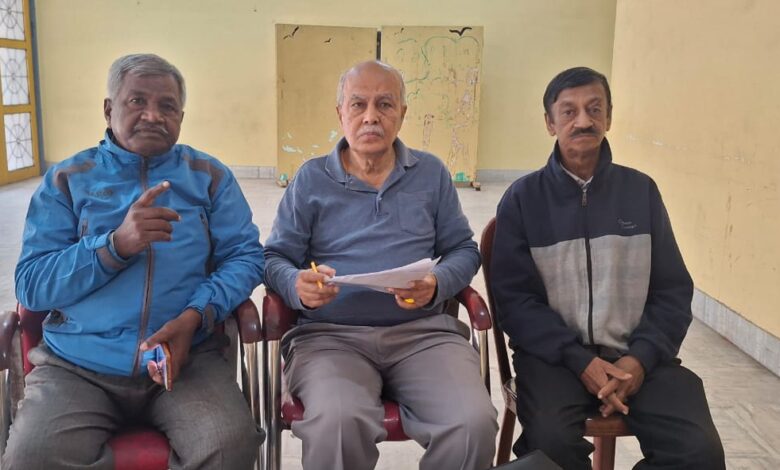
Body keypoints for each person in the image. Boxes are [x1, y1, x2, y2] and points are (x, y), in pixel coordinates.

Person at [3, 53, 265, 469]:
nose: (153, 115)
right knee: (33, 455)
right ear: (109, 109)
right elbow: (32, 285)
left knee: (227, 444)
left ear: (181, 117)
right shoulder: (67, 180)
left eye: (167, 106)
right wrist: (114, 247)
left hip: (185, 359)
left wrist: (195, 315)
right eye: (137, 101)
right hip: (78, 364)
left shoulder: (209, 177)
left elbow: (246, 257)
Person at [263, 60, 497, 470]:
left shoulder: (430, 174)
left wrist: (437, 282)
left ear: (402, 114)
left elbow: (464, 249)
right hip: (329, 337)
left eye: (385, 104)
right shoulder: (311, 179)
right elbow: (273, 258)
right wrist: (296, 284)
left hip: (423, 334)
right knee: (337, 423)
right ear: (340, 113)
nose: (371, 116)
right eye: (358, 104)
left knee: (471, 423)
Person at [490, 66, 725, 469]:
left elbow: (672, 291)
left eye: (594, 109)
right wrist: (578, 359)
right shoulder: (523, 199)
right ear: (550, 123)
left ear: (609, 117)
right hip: (554, 361)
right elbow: (514, 301)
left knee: (698, 450)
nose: (583, 121)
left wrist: (639, 360)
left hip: (637, 358)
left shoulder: (641, 192)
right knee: (548, 445)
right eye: (569, 111)